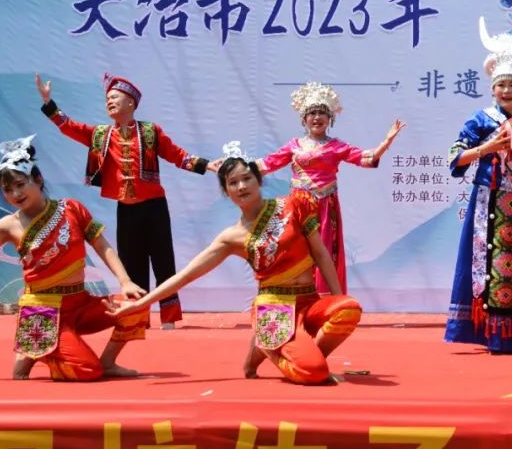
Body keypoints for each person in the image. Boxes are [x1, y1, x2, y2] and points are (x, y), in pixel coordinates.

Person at [110, 143, 362, 385]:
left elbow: (321, 254)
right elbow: (186, 276)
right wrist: (141, 304)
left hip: (309, 300)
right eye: (233, 183)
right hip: (275, 308)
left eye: (246, 178)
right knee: (313, 374)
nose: (241, 186)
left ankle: (297, 352)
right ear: (226, 191)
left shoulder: (293, 205)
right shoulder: (232, 237)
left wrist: (336, 298)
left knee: (348, 308)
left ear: (258, 180)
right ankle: (274, 346)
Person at [37, 73, 217, 329]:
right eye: (107, 99)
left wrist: (207, 165)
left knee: (163, 262)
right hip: (127, 210)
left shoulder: (150, 131)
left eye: (115, 97)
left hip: (155, 208)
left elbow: (177, 155)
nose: (109, 102)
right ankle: (138, 317)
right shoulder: (101, 135)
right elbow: (69, 126)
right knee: (132, 266)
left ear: (131, 102)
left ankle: (169, 318)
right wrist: (48, 102)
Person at [0, 136, 148, 380]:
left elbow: (102, 246)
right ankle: (36, 342)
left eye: (20, 184)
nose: (15, 193)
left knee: (138, 304)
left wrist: (125, 281)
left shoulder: (72, 209)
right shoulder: (8, 226)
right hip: (43, 309)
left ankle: (106, 361)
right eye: (7, 190)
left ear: (38, 180)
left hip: (81, 302)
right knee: (87, 371)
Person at [444, 18, 512, 353]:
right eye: (501, 85)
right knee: (485, 264)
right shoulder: (480, 120)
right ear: (492, 88)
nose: (506, 90)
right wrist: (486, 148)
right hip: (486, 201)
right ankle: (487, 333)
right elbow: (455, 158)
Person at [257, 81, 405, 295]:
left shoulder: (337, 146)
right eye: (312, 113)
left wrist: (386, 142)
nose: (317, 117)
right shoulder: (294, 145)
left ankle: (325, 298)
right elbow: (267, 164)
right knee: (296, 249)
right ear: (304, 118)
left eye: (322, 113)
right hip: (298, 206)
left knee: (325, 250)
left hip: (325, 207)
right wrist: (233, 168)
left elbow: (366, 158)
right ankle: (293, 296)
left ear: (330, 119)